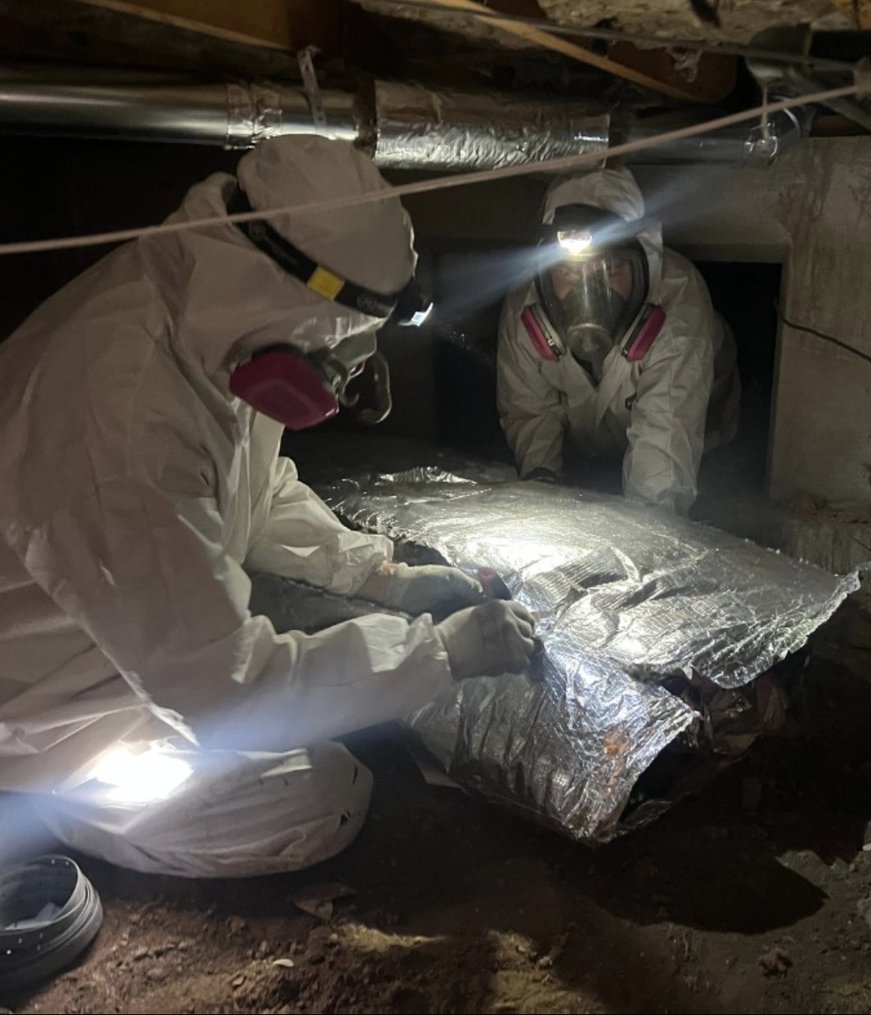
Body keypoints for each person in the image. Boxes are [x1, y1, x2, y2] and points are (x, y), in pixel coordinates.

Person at [0, 136, 536, 878]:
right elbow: (226, 691)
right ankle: (62, 802)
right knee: (322, 794)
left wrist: (381, 577)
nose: (345, 383)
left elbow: (253, 490)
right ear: (296, 306)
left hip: (114, 629)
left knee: (321, 694)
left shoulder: (209, 311)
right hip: (37, 702)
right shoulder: (123, 427)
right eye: (341, 356)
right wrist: (441, 653)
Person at [496, 167, 739, 515]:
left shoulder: (677, 305)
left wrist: (647, 538)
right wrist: (542, 485)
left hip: (698, 444)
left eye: (610, 271)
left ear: (641, 262)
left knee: (692, 517)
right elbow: (530, 412)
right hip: (590, 447)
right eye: (567, 272)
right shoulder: (526, 307)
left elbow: (664, 453)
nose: (588, 295)